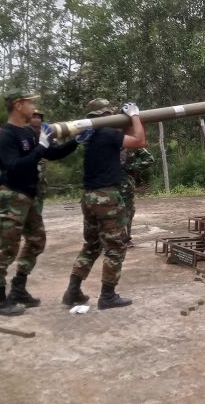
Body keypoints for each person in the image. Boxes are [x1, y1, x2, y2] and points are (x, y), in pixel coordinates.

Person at [0, 90, 78, 316]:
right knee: (6, 248)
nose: (34, 108)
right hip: (11, 197)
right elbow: (15, 166)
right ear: (18, 105)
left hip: (28, 196)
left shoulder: (27, 132)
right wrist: (40, 147)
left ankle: (18, 288)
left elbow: (52, 153)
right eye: (30, 103)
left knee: (37, 241)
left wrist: (76, 142)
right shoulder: (5, 136)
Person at [61, 99, 146, 310]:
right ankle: (107, 296)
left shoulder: (90, 136)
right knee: (116, 245)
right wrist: (135, 116)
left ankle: (73, 291)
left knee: (91, 245)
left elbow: (126, 139)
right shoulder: (106, 133)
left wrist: (127, 121)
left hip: (89, 197)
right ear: (105, 115)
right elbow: (139, 141)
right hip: (107, 197)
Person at [119, 144, 154, 247]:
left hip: (126, 184)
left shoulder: (132, 144)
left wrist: (133, 167)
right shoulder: (107, 143)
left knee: (128, 211)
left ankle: (126, 239)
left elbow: (150, 159)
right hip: (109, 183)